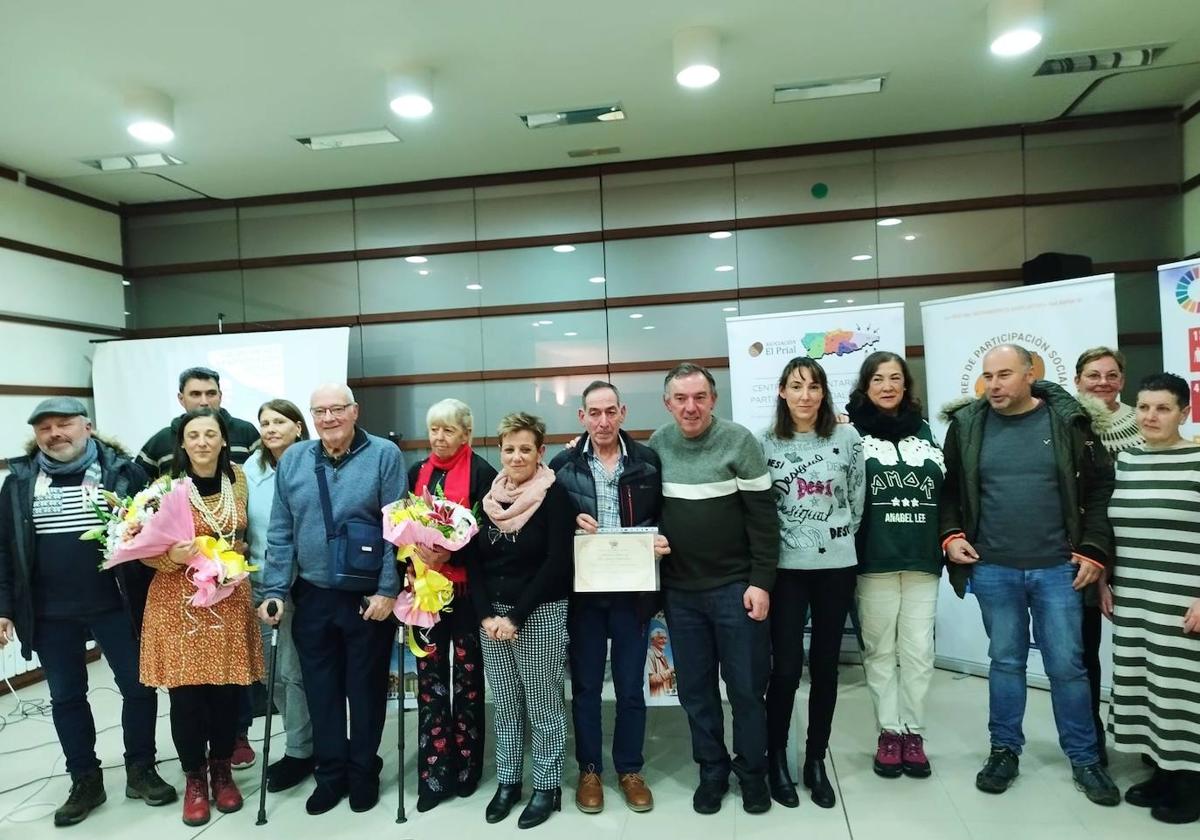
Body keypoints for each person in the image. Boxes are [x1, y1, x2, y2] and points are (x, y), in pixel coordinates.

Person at [940, 344, 1120, 805]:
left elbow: (1100, 491)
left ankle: (1084, 759)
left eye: (1004, 375)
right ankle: (1004, 751)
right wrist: (952, 534)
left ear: (1029, 374)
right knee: (1005, 663)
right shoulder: (967, 426)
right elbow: (952, 492)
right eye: (987, 376)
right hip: (993, 568)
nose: (994, 385)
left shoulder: (1070, 421)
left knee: (1067, 667)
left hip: (1060, 569)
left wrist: (1094, 550)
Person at [0, 398, 175, 827]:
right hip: (49, 613)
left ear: (88, 427)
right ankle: (85, 780)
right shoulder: (19, 481)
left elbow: (154, 536)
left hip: (118, 605)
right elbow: (5, 551)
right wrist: (3, 608)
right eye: (46, 428)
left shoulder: (125, 473)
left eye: (65, 424)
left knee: (138, 688)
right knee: (65, 697)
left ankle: (141, 769)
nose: (55, 433)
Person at [258, 384, 404, 816]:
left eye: (337, 409)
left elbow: (396, 527)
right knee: (320, 691)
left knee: (365, 691)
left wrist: (387, 590)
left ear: (354, 411)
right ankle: (330, 774)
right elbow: (281, 530)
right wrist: (274, 590)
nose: (328, 418)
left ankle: (363, 772)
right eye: (319, 411)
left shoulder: (383, 455)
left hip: (366, 598)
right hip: (314, 595)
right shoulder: (296, 459)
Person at [648, 363, 779, 815]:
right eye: (681, 399)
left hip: (736, 589)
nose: (691, 407)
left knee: (745, 688)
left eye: (699, 397)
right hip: (681, 594)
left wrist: (761, 581)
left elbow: (764, 520)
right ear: (668, 404)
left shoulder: (740, 441)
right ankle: (712, 771)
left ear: (714, 399)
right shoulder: (658, 444)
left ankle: (753, 774)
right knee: (697, 692)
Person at [139, 408, 265, 826]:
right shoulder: (164, 487)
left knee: (227, 694)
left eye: (211, 434)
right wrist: (169, 557)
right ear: (182, 443)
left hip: (228, 598)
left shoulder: (239, 480)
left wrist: (236, 555)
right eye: (194, 435)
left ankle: (222, 770)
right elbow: (141, 547)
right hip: (179, 603)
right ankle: (194, 778)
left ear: (224, 439)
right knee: (188, 698)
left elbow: (241, 533)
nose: (203, 442)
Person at [549, 381, 668, 815]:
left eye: (609, 412)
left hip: (633, 594)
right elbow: (548, 532)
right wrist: (569, 529)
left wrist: (660, 542)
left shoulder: (648, 463)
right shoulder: (562, 466)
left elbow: (662, 518)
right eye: (593, 413)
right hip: (584, 597)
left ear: (622, 413)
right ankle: (590, 769)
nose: (602, 421)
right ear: (582, 417)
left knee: (631, 686)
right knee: (584, 687)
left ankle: (630, 768)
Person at [759, 357, 865, 809]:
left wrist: (832, 537)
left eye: (814, 386)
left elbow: (857, 500)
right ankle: (777, 760)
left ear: (824, 392)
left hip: (835, 567)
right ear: (782, 392)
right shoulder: (763, 443)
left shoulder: (847, 437)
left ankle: (815, 761)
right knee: (783, 671)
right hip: (784, 570)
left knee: (824, 669)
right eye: (796, 386)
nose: (806, 395)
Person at [467, 412, 572, 830]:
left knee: (542, 700)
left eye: (525, 448)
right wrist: (486, 616)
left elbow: (556, 564)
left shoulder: (555, 497)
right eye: (509, 448)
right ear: (500, 450)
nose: (516, 456)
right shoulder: (486, 500)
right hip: (492, 618)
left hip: (539, 613)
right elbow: (473, 563)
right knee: (506, 703)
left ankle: (546, 785)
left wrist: (515, 616)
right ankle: (508, 782)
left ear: (540, 452)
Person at [1104, 372, 1200, 825]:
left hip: (1185, 602)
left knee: (1185, 693)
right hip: (1138, 599)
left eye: (1163, 408)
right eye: (1143, 407)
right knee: (1150, 688)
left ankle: (1192, 785)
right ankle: (1164, 771)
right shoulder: (1126, 461)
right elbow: (1114, 531)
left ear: (1184, 412)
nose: (1150, 416)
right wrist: (1106, 580)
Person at [847, 352, 945, 780]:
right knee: (881, 650)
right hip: (874, 559)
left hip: (923, 558)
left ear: (906, 385)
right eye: (878, 380)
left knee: (920, 652)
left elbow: (947, 490)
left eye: (895, 379)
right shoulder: (849, 432)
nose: (887, 386)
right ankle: (889, 731)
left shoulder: (927, 432)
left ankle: (914, 733)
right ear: (865, 387)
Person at [405, 399, 495, 812]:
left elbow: (489, 541)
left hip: (465, 596)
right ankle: (434, 773)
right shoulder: (416, 473)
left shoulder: (483, 474)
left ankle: (466, 770)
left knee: (468, 683)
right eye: (434, 430)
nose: (439, 438)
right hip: (426, 594)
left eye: (448, 430)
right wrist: (416, 555)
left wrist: (452, 557)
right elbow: (401, 528)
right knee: (431, 683)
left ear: (466, 433)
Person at [1074, 346, 1144, 763]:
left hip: (1143, 552)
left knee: (1143, 650)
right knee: (1084, 655)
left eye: (1111, 374)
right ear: (1077, 380)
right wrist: (1098, 566)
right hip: (1088, 553)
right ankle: (1091, 739)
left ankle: (1151, 742)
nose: (1103, 382)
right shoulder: (1071, 424)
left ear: (1122, 379)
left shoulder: (1147, 418)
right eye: (1093, 375)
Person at [245, 398, 314, 792]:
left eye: (279, 421)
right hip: (256, 581)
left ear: (298, 427)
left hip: (297, 584)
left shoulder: (310, 463)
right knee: (273, 676)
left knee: (293, 672)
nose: (270, 429)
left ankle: (301, 750)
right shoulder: (247, 472)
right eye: (264, 422)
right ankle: (300, 741)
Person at [646, 629, 675, 697]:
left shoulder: (663, 655)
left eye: (665, 638)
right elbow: (651, 680)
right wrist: (670, 671)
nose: (664, 641)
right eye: (661, 638)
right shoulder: (649, 654)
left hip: (665, 697)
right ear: (652, 640)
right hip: (657, 699)